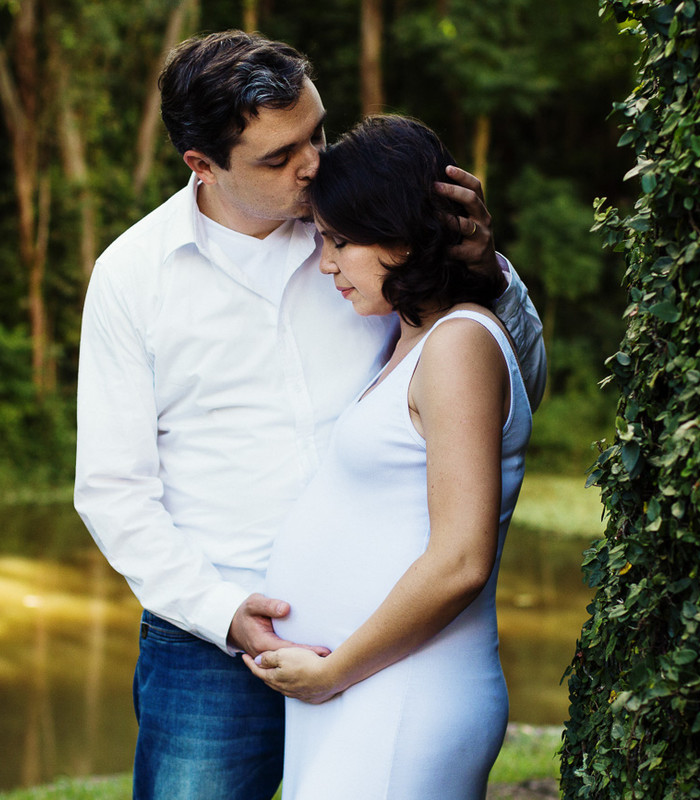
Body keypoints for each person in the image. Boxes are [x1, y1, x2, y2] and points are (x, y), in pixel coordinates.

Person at [74, 31, 545, 800]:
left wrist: (489, 272)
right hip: (214, 647)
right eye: (278, 156)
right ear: (202, 164)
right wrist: (225, 614)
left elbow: (513, 380)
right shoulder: (133, 277)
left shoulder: (374, 227)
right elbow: (111, 489)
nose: (314, 163)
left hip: (383, 637)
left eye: (316, 133)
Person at [243, 114, 532, 800]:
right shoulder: (410, 341)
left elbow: (461, 559)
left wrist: (335, 670)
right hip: (366, 688)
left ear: (402, 233)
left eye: (342, 241)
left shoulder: (460, 343)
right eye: (322, 240)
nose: (327, 263)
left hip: (401, 694)